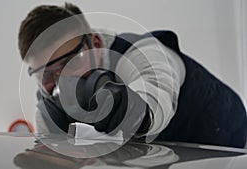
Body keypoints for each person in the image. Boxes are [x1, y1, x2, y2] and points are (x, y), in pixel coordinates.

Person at [18, 3, 247, 148]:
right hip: (163, 155)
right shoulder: (49, 100)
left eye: (70, 62)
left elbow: (157, 90)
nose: (61, 80)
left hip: (224, 140)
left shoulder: (142, 51)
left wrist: (135, 109)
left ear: (95, 43)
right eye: (46, 73)